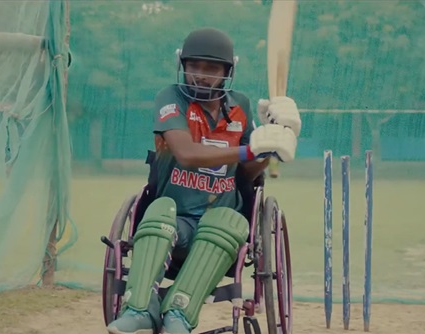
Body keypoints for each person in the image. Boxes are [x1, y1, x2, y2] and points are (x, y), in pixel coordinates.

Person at [106, 27, 301, 334]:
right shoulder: (170, 97)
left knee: (226, 220)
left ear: (227, 72)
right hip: (177, 219)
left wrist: (273, 142)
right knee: (161, 211)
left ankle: (177, 315)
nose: (200, 75)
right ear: (182, 65)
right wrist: (250, 148)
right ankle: (139, 308)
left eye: (211, 69)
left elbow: (247, 173)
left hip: (221, 224)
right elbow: (185, 153)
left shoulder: (241, 106)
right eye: (194, 66)